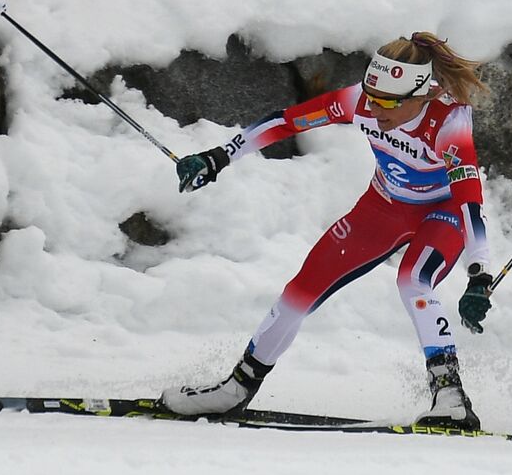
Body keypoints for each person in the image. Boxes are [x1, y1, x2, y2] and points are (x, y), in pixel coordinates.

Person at [160, 32, 495, 429]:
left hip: (443, 212)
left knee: (414, 281)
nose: (374, 109)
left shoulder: (448, 122)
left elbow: (469, 198)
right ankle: (236, 388)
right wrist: (218, 156)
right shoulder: (362, 102)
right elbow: (287, 121)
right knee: (300, 289)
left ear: (420, 96)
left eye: (388, 101)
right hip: (384, 207)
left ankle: (451, 396)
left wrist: (480, 274)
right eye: (371, 95)